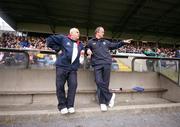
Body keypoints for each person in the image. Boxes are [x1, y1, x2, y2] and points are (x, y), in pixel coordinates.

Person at [86, 26, 132, 111]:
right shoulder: (90, 41)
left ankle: (103, 103)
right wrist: (87, 51)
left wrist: (123, 42)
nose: (104, 33)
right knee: (98, 81)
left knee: (105, 83)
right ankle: (110, 96)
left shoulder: (106, 42)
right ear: (97, 32)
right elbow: (86, 49)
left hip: (107, 64)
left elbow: (115, 45)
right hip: (97, 64)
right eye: (102, 32)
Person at [46, 28, 84, 114]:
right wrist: (58, 49)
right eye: (77, 32)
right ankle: (62, 106)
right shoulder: (63, 38)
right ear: (71, 33)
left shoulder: (80, 44)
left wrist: (86, 51)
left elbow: (83, 51)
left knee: (73, 86)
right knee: (60, 86)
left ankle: (70, 105)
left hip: (73, 69)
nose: (79, 34)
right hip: (62, 67)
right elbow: (49, 40)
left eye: (79, 32)